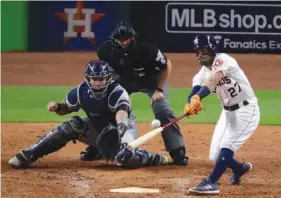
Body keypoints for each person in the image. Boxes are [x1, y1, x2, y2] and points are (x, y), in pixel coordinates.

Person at [8, 60, 168, 169]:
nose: (98, 82)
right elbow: (66, 108)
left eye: (102, 79)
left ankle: (148, 157)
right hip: (98, 129)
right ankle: (29, 154)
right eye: (94, 79)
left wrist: (119, 134)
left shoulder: (117, 92)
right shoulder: (81, 91)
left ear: (108, 79)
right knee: (73, 125)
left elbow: (122, 114)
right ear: (88, 79)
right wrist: (57, 107)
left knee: (124, 157)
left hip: (123, 129)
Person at [96, 21, 188, 166]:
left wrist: (158, 90)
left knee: (162, 109)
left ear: (133, 38)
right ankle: (100, 147)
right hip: (125, 80)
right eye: (120, 39)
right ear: (114, 40)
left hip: (152, 81)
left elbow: (167, 64)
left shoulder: (146, 49)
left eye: (126, 39)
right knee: (110, 106)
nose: (123, 42)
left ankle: (178, 150)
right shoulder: (105, 51)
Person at [184, 34, 260, 195]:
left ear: (212, 50)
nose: (198, 56)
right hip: (227, 114)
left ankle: (211, 182)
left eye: (202, 51)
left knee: (226, 148)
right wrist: (191, 104)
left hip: (246, 110)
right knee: (215, 156)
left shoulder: (224, 60)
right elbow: (195, 91)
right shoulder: (201, 74)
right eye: (196, 52)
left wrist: (199, 97)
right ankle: (240, 169)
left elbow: (214, 78)